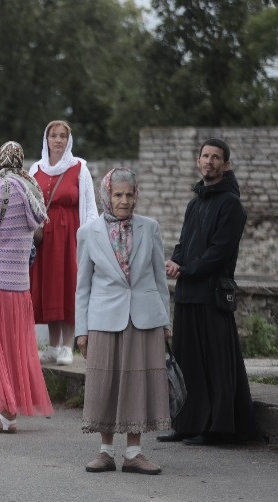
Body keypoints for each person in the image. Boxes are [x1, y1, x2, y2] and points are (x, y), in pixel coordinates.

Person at [158, 138, 257, 446]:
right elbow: (184, 242)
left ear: (225, 164)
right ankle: (186, 425)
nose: (209, 161)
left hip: (212, 294)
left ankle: (217, 428)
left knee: (213, 364)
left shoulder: (231, 204)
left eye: (216, 157)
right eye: (205, 156)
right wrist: (176, 260)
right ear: (198, 161)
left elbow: (220, 252)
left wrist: (186, 269)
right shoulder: (195, 202)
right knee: (187, 363)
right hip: (188, 293)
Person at [76, 168, 171, 475]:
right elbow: (83, 286)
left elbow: (159, 278)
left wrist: (166, 321)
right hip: (103, 318)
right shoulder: (88, 232)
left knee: (137, 383)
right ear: (107, 195)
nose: (124, 201)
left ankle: (134, 452)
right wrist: (81, 330)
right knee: (104, 383)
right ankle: (105, 452)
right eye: (118, 194)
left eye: (130, 194)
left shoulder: (150, 228)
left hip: (144, 317)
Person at [0, 141, 53, 433]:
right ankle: (9, 411)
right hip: (19, 285)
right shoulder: (31, 188)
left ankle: (5, 414)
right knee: (17, 349)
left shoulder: (0, 186)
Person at [29, 120, 99, 366]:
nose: (58, 140)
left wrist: (89, 238)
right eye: (53, 135)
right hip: (44, 239)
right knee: (50, 289)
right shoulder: (36, 169)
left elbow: (90, 205)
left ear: (68, 141)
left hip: (71, 236)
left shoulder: (79, 167)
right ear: (46, 140)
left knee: (69, 287)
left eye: (62, 136)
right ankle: (53, 345)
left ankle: (68, 346)